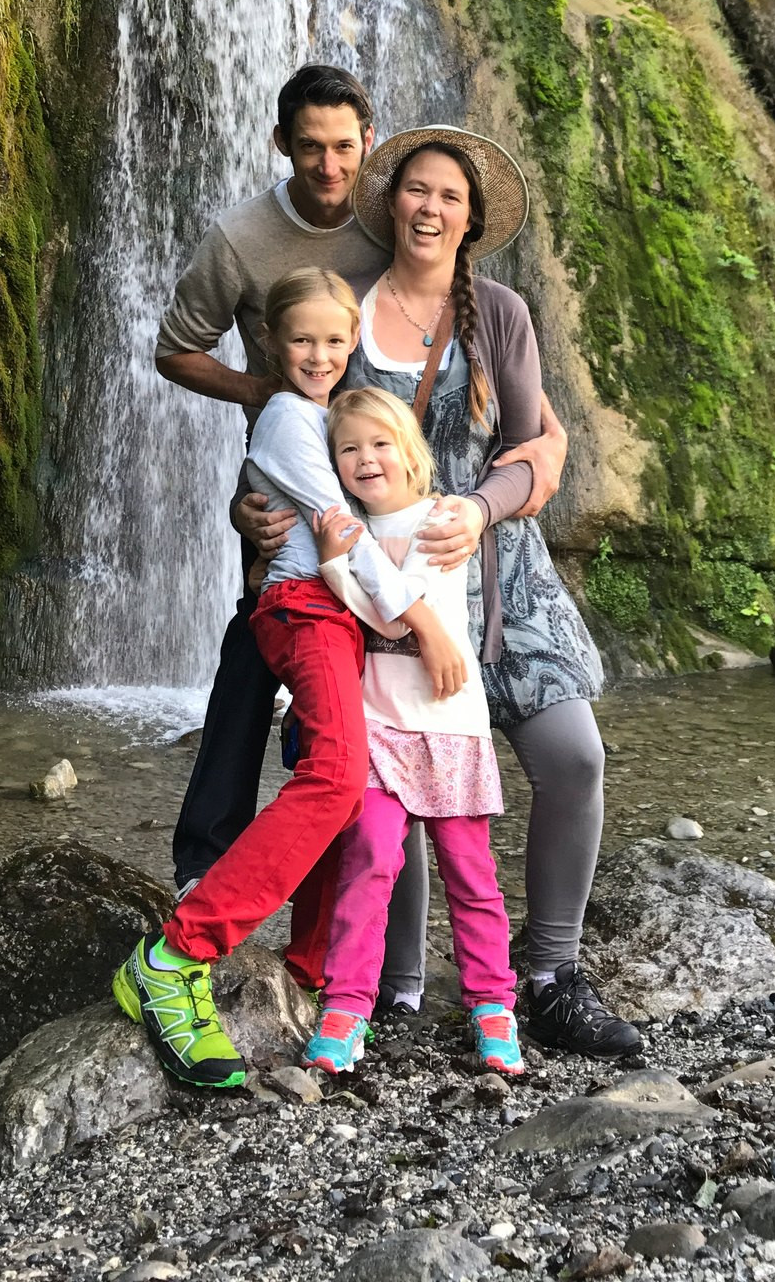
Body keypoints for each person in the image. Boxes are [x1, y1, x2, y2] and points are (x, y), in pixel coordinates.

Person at [157, 65, 566, 895]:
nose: (329, 166)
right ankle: (203, 868)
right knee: (252, 663)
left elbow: (473, 337)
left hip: (383, 511)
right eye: (311, 147)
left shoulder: (393, 232)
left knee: (339, 720)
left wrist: (535, 457)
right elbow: (174, 349)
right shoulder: (240, 239)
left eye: (345, 147)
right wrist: (258, 396)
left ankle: (343, 916)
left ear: (368, 148)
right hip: (293, 493)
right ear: (282, 145)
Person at [117, 269, 468, 1089]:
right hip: (304, 608)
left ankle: (310, 973)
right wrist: (424, 624)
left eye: (334, 340)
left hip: (339, 612)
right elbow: (338, 527)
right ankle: (175, 956)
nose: (318, 354)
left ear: (354, 344)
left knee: (348, 779)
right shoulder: (283, 416)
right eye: (301, 340)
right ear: (272, 345)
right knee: (337, 777)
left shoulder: (328, 420)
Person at [346, 126, 643, 1059]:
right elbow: (316, 456)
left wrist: (478, 508)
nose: (431, 208)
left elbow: (531, 452)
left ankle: (549, 971)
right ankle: (395, 990)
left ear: (470, 222)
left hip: (500, 574)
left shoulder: (500, 314)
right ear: (393, 199)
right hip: (389, 587)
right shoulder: (345, 309)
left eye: (451, 198)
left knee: (575, 757)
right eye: (418, 190)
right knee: (395, 782)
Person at [303, 386, 525, 1080]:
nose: (367, 459)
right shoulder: (346, 530)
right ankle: (346, 1008)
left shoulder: (440, 521)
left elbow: (397, 612)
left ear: (410, 453)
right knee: (368, 859)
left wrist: (338, 563)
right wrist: (338, 557)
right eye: (349, 449)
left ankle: (493, 1005)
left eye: (380, 444)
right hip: (378, 728)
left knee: (471, 874)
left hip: (448, 726)